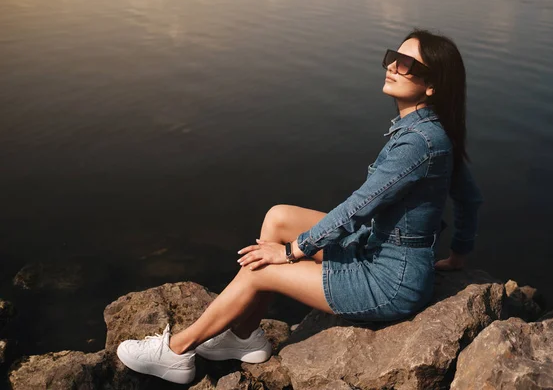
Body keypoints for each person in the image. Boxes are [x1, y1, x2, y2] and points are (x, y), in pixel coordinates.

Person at [115, 28, 483, 384]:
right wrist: (459, 255)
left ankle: (178, 352)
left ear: (432, 86)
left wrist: (292, 252)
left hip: (389, 280)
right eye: (393, 57)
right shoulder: (433, 131)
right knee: (278, 216)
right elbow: (469, 198)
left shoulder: (418, 143)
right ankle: (245, 336)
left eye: (407, 64)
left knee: (263, 267)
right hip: (382, 251)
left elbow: (359, 207)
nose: (392, 66)